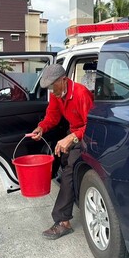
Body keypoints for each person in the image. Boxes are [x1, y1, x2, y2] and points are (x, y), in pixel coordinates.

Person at [31, 64, 93, 240]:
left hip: (87, 137)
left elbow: (93, 125)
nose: (51, 90)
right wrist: (41, 128)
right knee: (62, 159)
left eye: (53, 85)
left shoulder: (81, 94)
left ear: (63, 80)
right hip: (74, 133)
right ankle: (74, 193)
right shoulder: (57, 95)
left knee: (69, 171)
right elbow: (52, 116)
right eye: (49, 87)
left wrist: (73, 138)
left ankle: (63, 221)